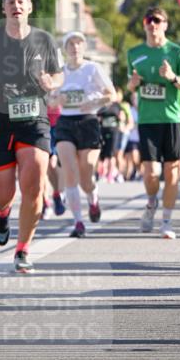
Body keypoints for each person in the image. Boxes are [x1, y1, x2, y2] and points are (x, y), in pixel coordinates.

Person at [0, 0, 63, 273]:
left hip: (33, 120)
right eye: (10, 1)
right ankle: (2, 212)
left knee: (35, 182)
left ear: (30, 6)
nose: (16, 5)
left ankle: (23, 248)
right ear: (3, 8)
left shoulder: (44, 40)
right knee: (0, 195)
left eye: (21, 1)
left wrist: (52, 82)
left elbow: (59, 73)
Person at [127, 5, 180, 238]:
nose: (152, 24)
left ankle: (167, 221)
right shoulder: (134, 53)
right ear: (144, 24)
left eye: (157, 20)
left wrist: (172, 77)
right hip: (148, 120)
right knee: (150, 174)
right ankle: (152, 202)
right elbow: (130, 87)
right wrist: (132, 83)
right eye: (148, 20)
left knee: (172, 173)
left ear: (165, 25)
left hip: (171, 119)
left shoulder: (177, 52)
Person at [53, 31, 115, 237]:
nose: (75, 47)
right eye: (71, 43)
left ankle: (93, 198)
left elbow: (112, 95)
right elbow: (50, 100)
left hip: (88, 121)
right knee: (70, 172)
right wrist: (56, 100)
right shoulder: (60, 72)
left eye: (79, 43)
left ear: (84, 47)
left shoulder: (93, 68)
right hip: (65, 123)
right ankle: (78, 222)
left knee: (86, 175)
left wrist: (94, 102)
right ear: (66, 48)